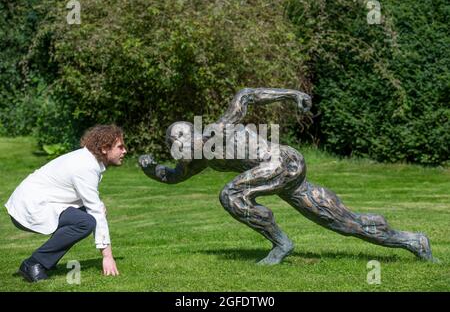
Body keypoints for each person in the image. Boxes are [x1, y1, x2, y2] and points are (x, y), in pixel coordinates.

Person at [139, 88, 435, 265]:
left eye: (180, 139)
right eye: (173, 145)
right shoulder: (199, 157)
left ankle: (281, 244)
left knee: (230, 194)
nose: (178, 148)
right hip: (281, 176)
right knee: (343, 222)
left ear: (194, 134)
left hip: (282, 162)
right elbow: (175, 176)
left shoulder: (217, 130)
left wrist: (293, 95)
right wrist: (152, 170)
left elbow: (246, 95)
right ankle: (413, 241)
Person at [5, 124, 127, 282]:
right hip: (29, 207)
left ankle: (47, 260)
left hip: (35, 203)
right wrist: (107, 256)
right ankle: (33, 263)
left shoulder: (86, 160)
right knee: (86, 221)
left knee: (88, 215)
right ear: (105, 148)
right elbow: (95, 211)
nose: (125, 151)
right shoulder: (86, 166)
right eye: (120, 147)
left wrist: (98, 206)